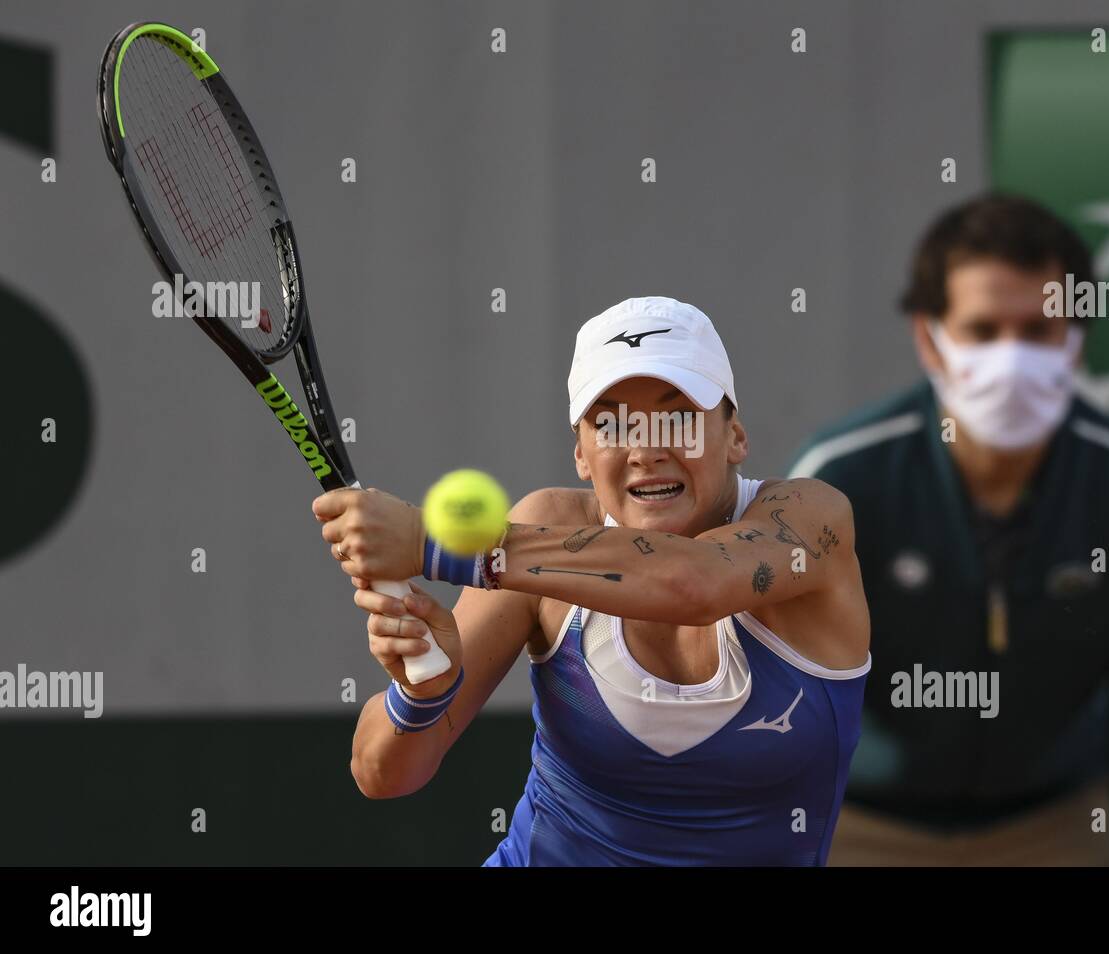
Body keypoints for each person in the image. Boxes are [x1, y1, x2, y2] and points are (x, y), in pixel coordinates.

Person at [314, 296, 872, 866]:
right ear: (581, 453)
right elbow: (382, 775)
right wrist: (422, 695)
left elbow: (695, 583)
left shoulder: (808, 519)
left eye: (677, 417)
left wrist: (434, 547)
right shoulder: (545, 529)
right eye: (612, 424)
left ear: (735, 436)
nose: (646, 449)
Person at [789, 195, 1109, 866]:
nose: (1011, 360)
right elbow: (776, 699)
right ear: (930, 338)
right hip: (863, 824)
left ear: (1075, 337)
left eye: (1038, 330)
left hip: (1059, 823)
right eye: (983, 331)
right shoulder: (841, 479)